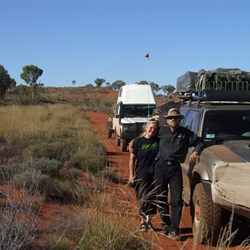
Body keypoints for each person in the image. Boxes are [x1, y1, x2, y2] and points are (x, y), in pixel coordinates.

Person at [153, 108, 206, 240]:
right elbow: (147, 138)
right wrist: (134, 143)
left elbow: (200, 142)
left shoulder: (186, 133)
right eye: (171, 118)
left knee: (177, 199)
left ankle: (175, 229)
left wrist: (196, 152)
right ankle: (166, 224)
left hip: (176, 168)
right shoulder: (160, 131)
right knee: (161, 196)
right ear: (167, 120)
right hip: (160, 166)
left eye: (176, 118)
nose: (173, 120)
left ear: (180, 120)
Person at [128, 119, 159, 232]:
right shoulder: (137, 142)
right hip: (141, 173)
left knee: (153, 198)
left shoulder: (159, 141)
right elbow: (132, 159)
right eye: (150, 127)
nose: (152, 130)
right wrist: (131, 175)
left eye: (155, 128)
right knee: (142, 197)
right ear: (145, 128)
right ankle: (142, 221)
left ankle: (149, 221)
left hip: (155, 174)